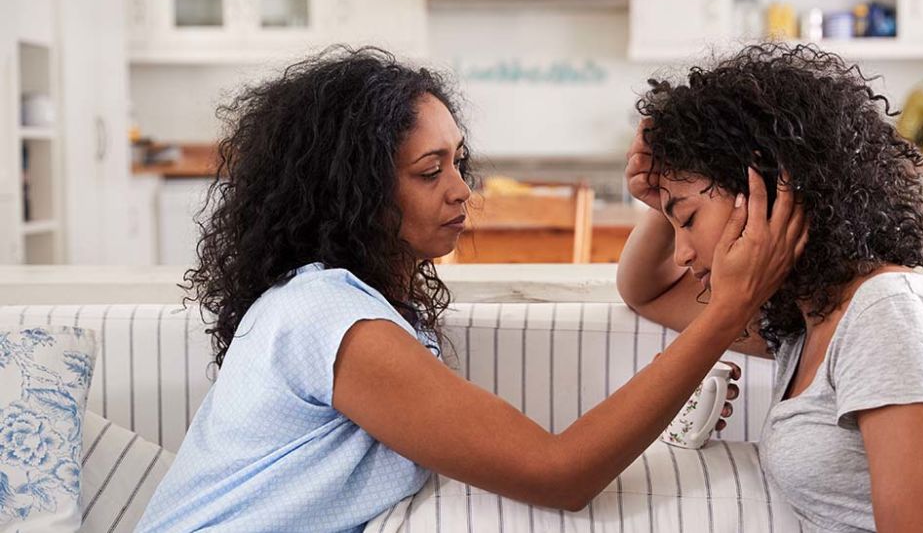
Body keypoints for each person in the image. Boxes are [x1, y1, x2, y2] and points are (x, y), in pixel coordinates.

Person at [135, 46, 804, 532]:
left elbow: (643, 292)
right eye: (430, 172)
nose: (462, 190)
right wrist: (726, 314)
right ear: (354, 192)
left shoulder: (355, 306)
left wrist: (661, 208)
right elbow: (558, 473)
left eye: (459, 161)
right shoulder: (330, 319)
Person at [616, 43, 923, 533]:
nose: (682, 254)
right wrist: (664, 202)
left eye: (689, 220)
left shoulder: (888, 315)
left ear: (764, 192)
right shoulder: (806, 324)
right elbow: (645, 292)